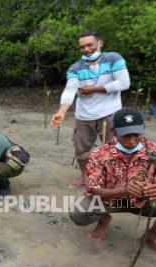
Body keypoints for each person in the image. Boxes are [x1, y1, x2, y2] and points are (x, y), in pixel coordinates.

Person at [69, 108, 156, 259]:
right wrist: (123, 190)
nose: (132, 141)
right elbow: (93, 189)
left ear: (143, 131)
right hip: (110, 199)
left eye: (137, 135)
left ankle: (150, 237)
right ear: (114, 132)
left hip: (144, 200)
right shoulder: (99, 154)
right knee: (79, 213)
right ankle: (103, 220)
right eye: (126, 135)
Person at [50, 32, 130, 188]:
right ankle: (85, 178)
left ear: (100, 43)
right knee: (81, 150)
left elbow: (124, 83)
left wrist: (96, 89)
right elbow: (70, 90)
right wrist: (61, 111)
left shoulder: (113, 58)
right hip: (84, 115)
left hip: (110, 112)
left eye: (90, 45)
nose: (86, 49)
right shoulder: (75, 68)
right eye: (82, 47)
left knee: (114, 148)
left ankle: (113, 180)